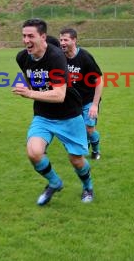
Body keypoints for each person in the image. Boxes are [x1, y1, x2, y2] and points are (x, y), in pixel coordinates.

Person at [12, 18, 94, 205]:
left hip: (69, 115)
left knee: (76, 160)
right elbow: (31, 79)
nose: (26, 40)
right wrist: (27, 87)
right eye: (24, 36)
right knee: (34, 152)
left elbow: (59, 95)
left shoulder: (56, 57)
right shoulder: (22, 57)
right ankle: (55, 183)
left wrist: (29, 93)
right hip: (43, 115)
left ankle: (87, 186)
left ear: (43, 37)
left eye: (31, 36)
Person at [59, 28, 104, 160]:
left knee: (89, 129)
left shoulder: (85, 57)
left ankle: (96, 150)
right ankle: (85, 142)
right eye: (60, 40)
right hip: (72, 102)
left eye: (65, 40)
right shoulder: (60, 58)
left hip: (88, 100)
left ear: (74, 40)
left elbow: (99, 80)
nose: (62, 43)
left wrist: (95, 105)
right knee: (76, 130)